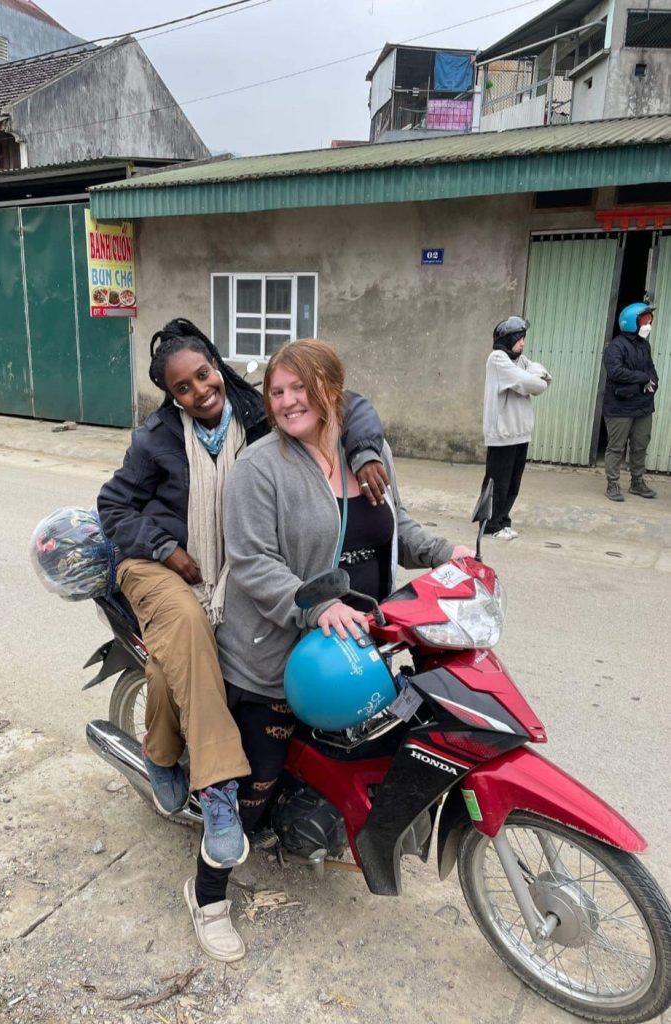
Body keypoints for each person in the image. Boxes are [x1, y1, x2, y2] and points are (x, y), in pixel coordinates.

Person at [182, 339, 473, 962]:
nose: (286, 402)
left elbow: (400, 528)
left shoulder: (368, 454)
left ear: (331, 390)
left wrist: (452, 556)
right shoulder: (261, 466)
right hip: (276, 653)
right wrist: (315, 605)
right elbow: (252, 560)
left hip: (358, 643)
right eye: (276, 392)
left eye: (298, 389)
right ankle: (207, 892)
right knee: (252, 788)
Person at [96, 320, 388, 898]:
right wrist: (164, 549)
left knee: (178, 656)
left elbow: (343, 403)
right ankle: (219, 794)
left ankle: (169, 752)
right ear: (171, 395)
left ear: (216, 366)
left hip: (227, 567)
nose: (200, 391)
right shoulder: (155, 439)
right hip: (161, 564)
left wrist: (368, 448)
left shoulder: (256, 411)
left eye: (204, 375)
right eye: (182, 387)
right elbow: (113, 505)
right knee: (189, 631)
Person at [482, 316, 551, 540]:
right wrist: (534, 379)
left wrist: (534, 378)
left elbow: (542, 376)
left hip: (521, 433)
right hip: (502, 433)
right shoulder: (497, 359)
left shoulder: (520, 360)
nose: (522, 343)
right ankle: (491, 525)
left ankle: (503, 520)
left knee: (513, 482)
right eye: (519, 339)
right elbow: (529, 383)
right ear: (507, 339)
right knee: (498, 482)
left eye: (523, 338)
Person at [602, 303, 659, 502]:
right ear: (631, 323)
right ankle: (613, 483)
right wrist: (643, 378)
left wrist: (653, 382)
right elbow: (616, 371)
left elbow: (651, 369)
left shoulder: (644, 345)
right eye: (644, 321)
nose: (648, 325)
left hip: (643, 405)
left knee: (640, 445)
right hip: (620, 406)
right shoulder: (616, 346)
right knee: (616, 447)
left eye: (649, 321)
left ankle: (637, 482)